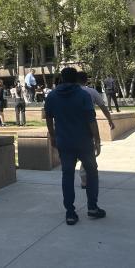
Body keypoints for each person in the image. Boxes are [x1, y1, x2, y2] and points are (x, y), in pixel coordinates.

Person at [45, 68, 105, 225]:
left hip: (64, 141)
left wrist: (52, 136)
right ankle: (92, 207)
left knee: (67, 175)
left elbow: (49, 119)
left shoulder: (51, 96)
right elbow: (91, 119)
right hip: (84, 141)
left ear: (62, 78)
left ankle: (70, 213)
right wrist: (97, 140)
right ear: (77, 79)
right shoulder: (83, 95)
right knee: (92, 173)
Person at [77, 71, 115, 188]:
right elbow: (103, 107)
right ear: (86, 80)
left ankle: (85, 177)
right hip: (87, 126)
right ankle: (85, 178)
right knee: (88, 153)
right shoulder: (91, 92)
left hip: (71, 127)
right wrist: (110, 120)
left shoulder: (68, 92)